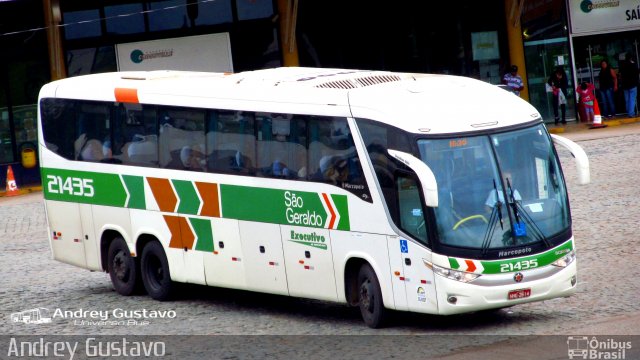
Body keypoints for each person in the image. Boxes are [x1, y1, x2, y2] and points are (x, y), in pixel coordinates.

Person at [619, 53, 639, 118]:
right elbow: (637, 71)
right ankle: (631, 113)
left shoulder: (622, 65)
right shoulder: (633, 64)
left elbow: (620, 74)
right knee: (632, 99)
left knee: (627, 99)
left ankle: (628, 112)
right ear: (631, 58)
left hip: (625, 85)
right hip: (632, 84)